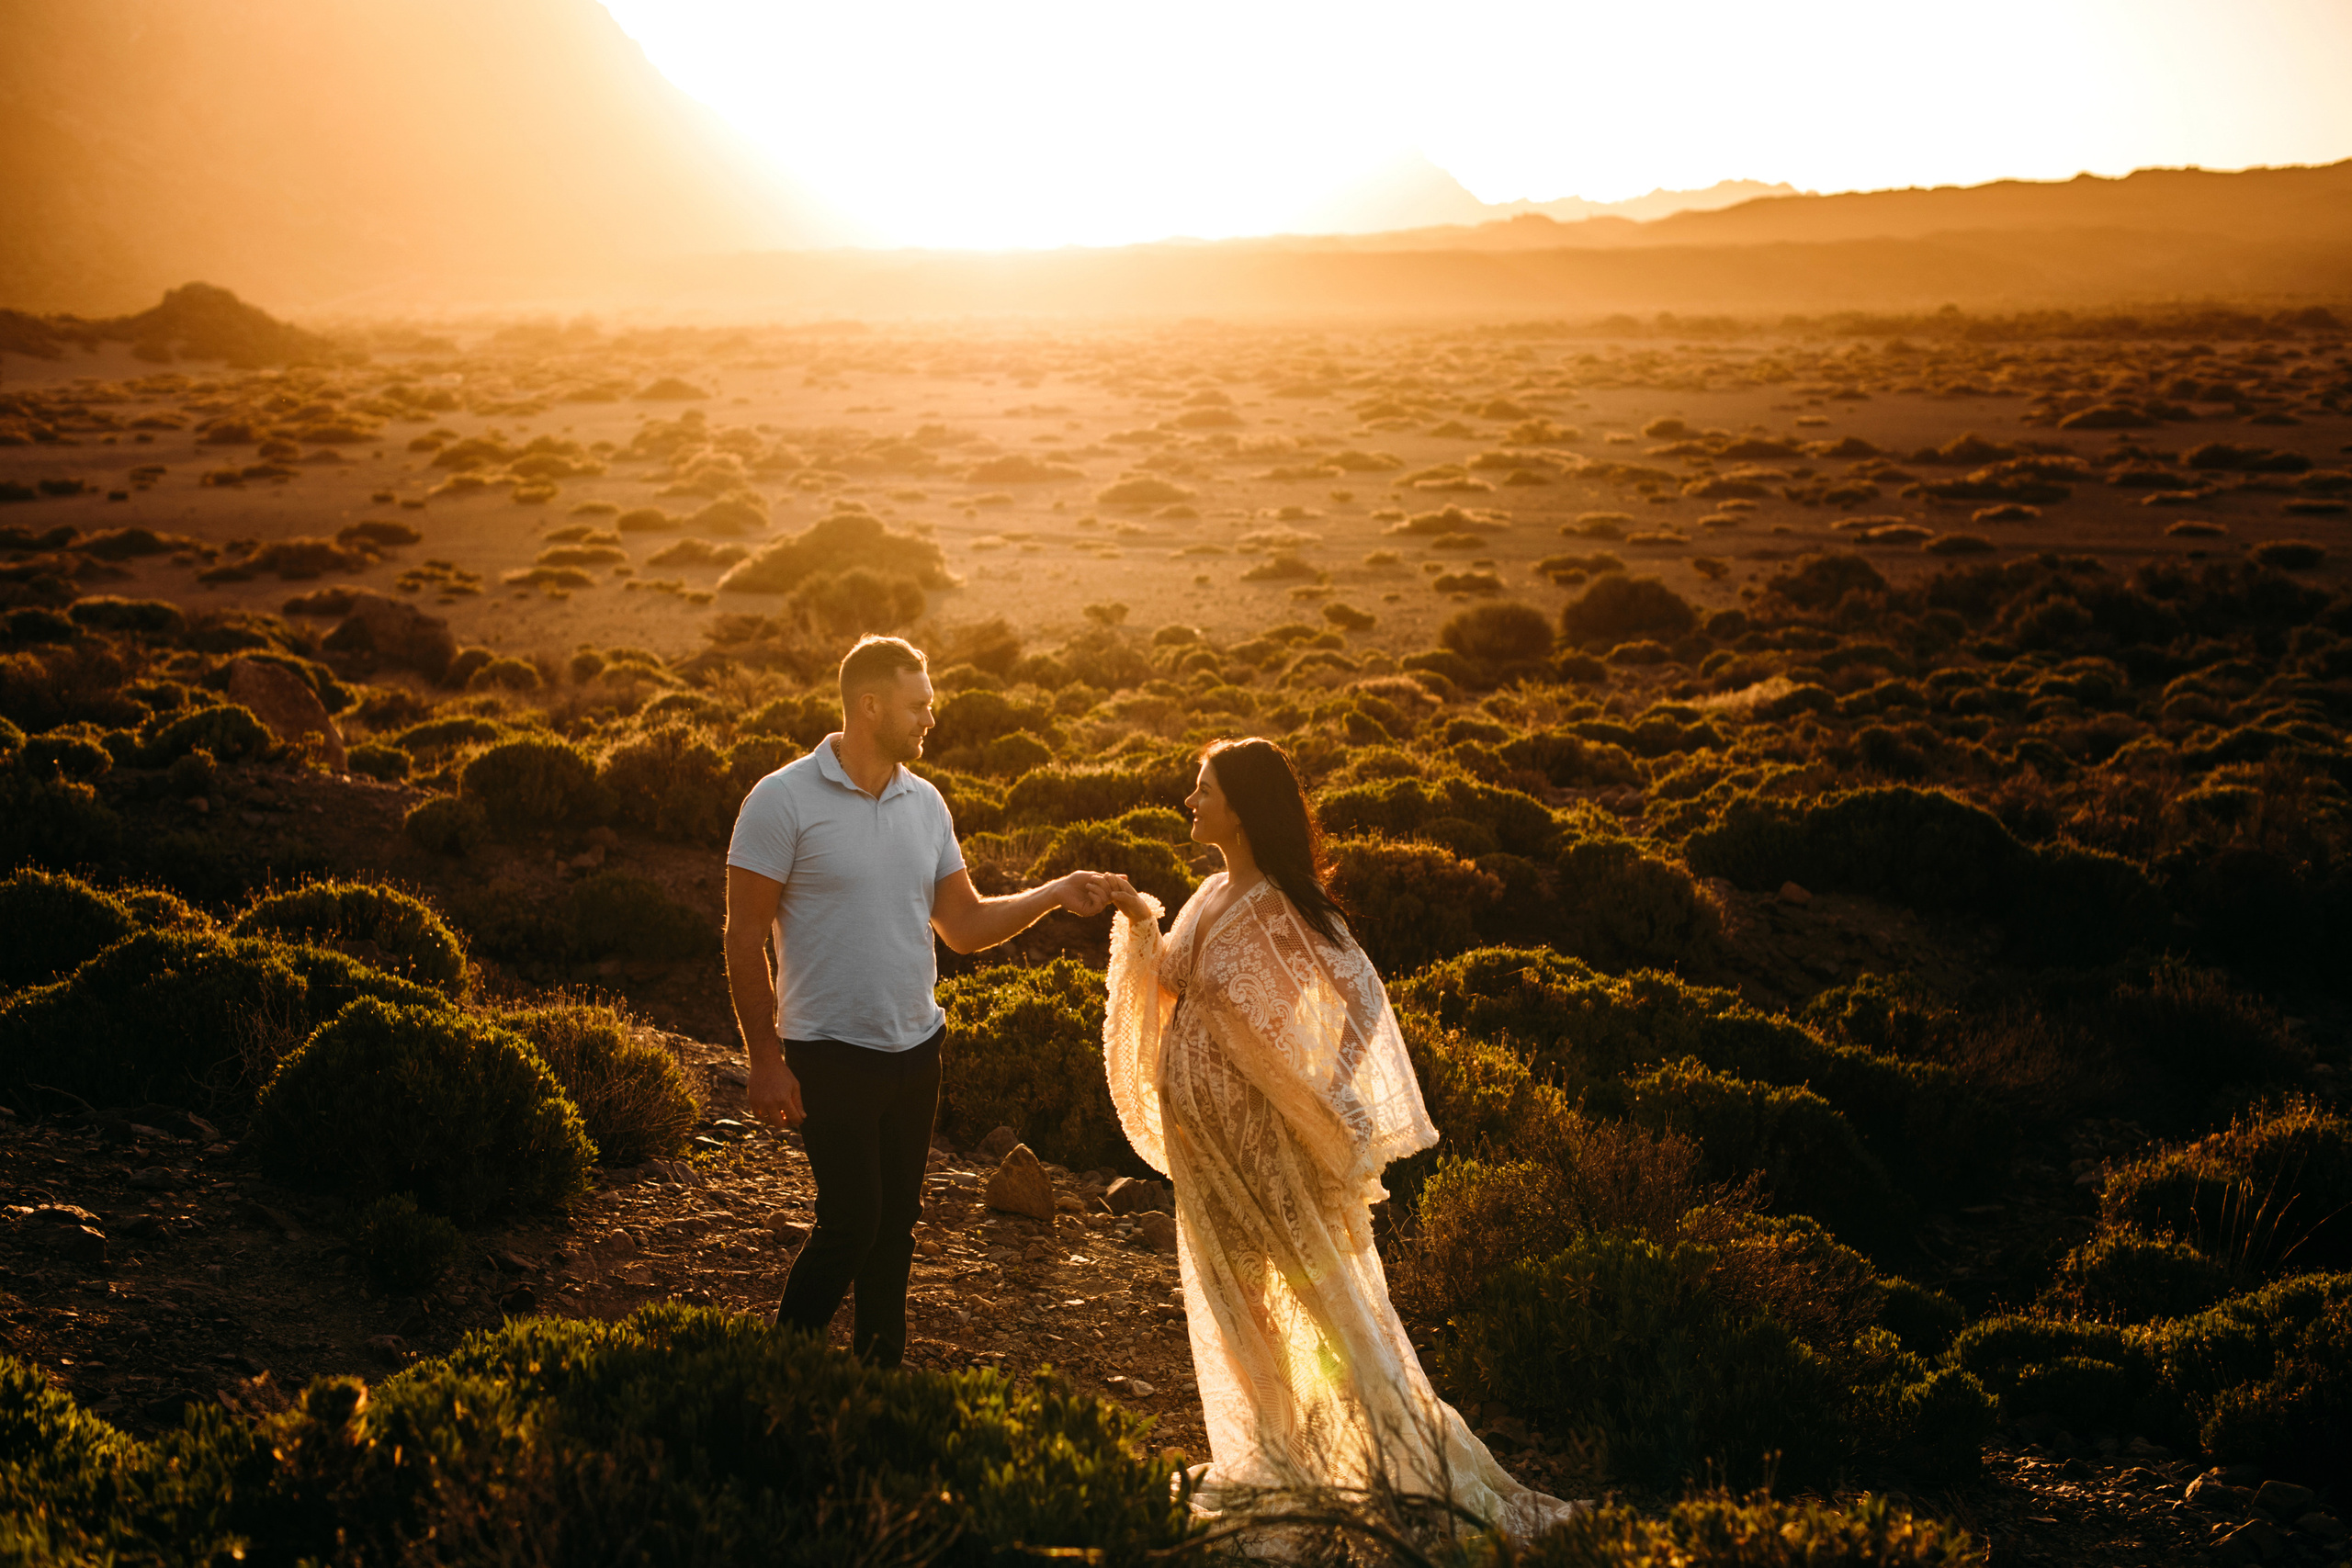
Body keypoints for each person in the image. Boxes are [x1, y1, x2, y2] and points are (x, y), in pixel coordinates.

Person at [1100, 737, 1583, 1540]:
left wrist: (1323, 1087)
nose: (1191, 801)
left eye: (1204, 788)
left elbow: (1360, 998)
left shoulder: (1287, 908)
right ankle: (1274, 1456)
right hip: (1208, 1153)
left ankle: (1385, 1459)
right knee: (1237, 1298)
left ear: (1245, 809)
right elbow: (1169, 981)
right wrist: (1135, 917)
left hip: (1261, 1149)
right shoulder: (1211, 892)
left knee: (1320, 1301)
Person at [726, 634, 1116, 1368]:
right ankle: (778, 1370)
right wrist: (764, 1058)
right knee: (852, 1219)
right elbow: (742, 935)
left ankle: (880, 1376)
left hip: (916, 1049)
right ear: (869, 705)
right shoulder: (782, 799)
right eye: (919, 705)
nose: (930, 718)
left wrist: (1054, 893)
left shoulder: (924, 801)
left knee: (895, 1226)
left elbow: (963, 926)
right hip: (828, 1049)